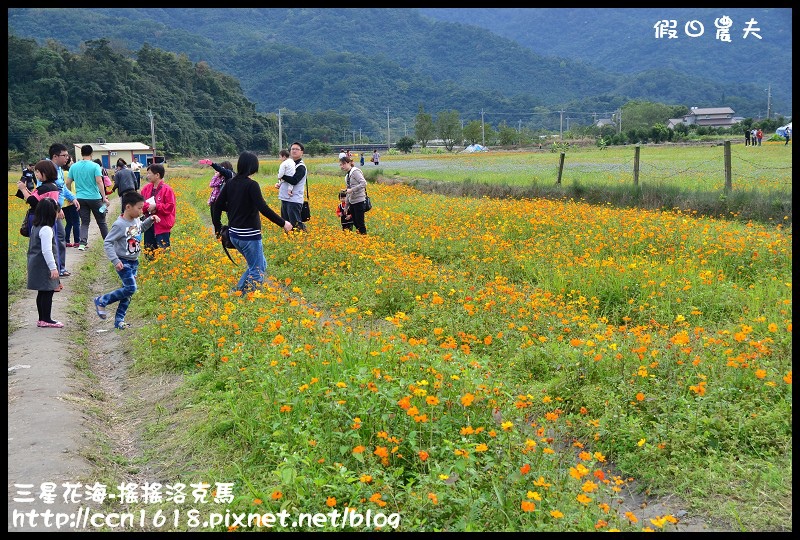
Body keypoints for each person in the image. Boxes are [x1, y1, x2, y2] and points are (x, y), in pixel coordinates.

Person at [211, 151, 293, 293]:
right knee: (257, 269)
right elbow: (263, 208)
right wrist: (283, 223)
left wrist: (218, 228)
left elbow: (216, 205)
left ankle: (237, 291)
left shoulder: (230, 183)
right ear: (252, 166)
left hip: (235, 235)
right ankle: (248, 298)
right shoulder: (252, 185)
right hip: (249, 236)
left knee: (259, 264)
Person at [94, 190, 160, 330]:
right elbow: (108, 242)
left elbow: (138, 230)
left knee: (128, 293)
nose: (142, 211)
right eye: (139, 208)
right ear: (128, 207)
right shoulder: (119, 224)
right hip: (123, 262)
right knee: (131, 288)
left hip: (134, 261)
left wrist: (150, 220)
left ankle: (119, 321)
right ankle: (102, 300)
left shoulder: (135, 220)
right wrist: (115, 260)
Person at [27, 198, 64, 328]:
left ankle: (42, 319)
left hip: (35, 264)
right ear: (51, 213)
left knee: (42, 292)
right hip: (44, 266)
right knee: (48, 291)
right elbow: (47, 250)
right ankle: (47, 319)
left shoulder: (36, 227)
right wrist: (53, 268)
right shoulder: (47, 230)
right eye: (56, 211)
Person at [66, 144, 109, 251]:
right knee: (101, 221)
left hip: (80, 198)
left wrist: (71, 197)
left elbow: (68, 183)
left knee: (84, 222)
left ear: (81, 153)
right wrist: (104, 197)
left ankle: (82, 243)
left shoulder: (73, 166)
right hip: (94, 198)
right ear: (91, 153)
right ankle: (108, 243)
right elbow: (99, 181)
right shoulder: (95, 166)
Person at [45, 144, 76, 276]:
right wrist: (57, 208)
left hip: (56, 208)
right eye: (64, 155)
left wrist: (73, 198)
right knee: (57, 238)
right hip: (50, 210)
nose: (67, 158)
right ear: (55, 156)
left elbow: (62, 188)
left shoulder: (58, 169)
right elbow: (46, 192)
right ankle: (57, 268)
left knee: (59, 237)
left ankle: (59, 267)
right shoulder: (47, 169)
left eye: (67, 155)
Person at [140, 163, 176, 256]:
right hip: (148, 223)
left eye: (149, 173)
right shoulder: (146, 188)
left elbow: (170, 207)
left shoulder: (167, 189)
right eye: (147, 173)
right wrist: (148, 207)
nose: (147, 176)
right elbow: (140, 203)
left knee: (163, 251)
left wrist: (156, 206)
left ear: (157, 175)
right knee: (149, 251)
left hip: (162, 224)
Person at [277, 141, 308, 231]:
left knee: (295, 223)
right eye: (292, 149)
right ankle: (291, 239)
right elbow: (287, 179)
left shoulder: (301, 167)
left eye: (297, 149)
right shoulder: (290, 164)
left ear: (302, 152)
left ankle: (302, 238)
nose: (294, 151)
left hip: (294, 199)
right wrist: (279, 183)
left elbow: (294, 181)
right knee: (286, 223)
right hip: (285, 198)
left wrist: (282, 176)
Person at [339, 155, 368, 234]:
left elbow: (364, 183)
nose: (342, 166)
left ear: (349, 163)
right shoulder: (347, 176)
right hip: (352, 201)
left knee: (360, 223)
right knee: (355, 222)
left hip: (359, 200)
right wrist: (346, 206)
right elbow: (348, 191)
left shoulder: (355, 172)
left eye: (344, 164)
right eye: (341, 165)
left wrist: (352, 189)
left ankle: (364, 238)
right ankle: (361, 238)